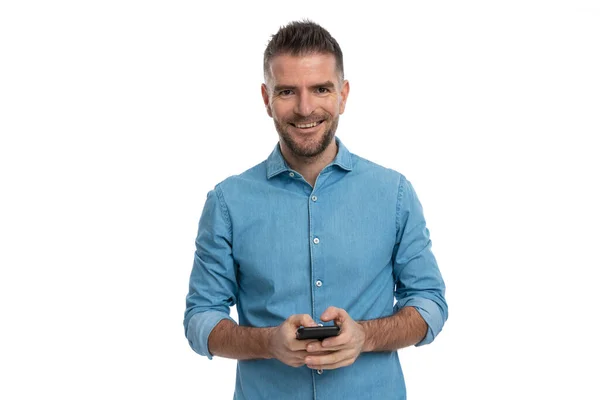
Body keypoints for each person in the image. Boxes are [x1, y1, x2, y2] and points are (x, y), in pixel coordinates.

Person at [184, 20, 448, 400]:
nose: (305, 108)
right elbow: (201, 318)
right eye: (288, 91)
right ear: (266, 99)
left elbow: (430, 304)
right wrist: (268, 342)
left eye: (321, 89)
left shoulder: (394, 194)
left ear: (342, 94)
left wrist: (365, 336)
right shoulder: (227, 202)